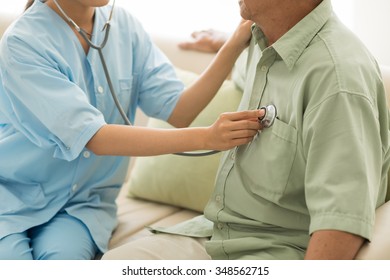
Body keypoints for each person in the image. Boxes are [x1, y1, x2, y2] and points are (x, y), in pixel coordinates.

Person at [102, 0, 390, 260]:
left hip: (273, 252)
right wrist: (224, 43)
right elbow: (253, 73)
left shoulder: (338, 79)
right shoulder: (261, 41)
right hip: (215, 233)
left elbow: (341, 223)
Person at [0, 0, 261, 260]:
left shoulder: (123, 27)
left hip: (80, 206)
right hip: (12, 197)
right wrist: (207, 137)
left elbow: (180, 111)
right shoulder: (23, 43)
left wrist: (236, 41)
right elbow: (94, 138)